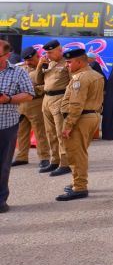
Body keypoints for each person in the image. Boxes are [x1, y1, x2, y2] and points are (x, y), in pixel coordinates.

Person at [56, 48, 104, 201]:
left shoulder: (80, 78)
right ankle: (77, 182)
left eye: (69, 62)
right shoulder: (96, 75)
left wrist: (68, 125)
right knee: (80, 152)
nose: (67, 65)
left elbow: (76, 104)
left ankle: (80, 187)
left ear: (79, 62)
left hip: (80, 119)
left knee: (76, 154)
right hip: (92, 116)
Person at [0, 39, 35, 213]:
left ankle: (0, 200)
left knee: (2, 165)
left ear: (7, 55)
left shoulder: (18, 72)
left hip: (6, 125)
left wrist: (9, 99)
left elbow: (29, 94)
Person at [34, 39, 71, 176]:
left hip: (60, 99)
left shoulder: (67, 63)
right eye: (46, 53)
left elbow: (72, 83)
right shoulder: (48, 63)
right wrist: (40, 66)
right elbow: (38, 81)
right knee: (50, 133)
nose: (47, 55)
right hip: (47, 100)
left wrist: (68, 102)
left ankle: (65, 163)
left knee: (61, 133)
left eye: (50, 52)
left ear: (60, 50)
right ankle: (55, 161)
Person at [12, 47, 50, 168]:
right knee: (21, 132)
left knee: (40, 132)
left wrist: (32, 89)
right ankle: (22, 157)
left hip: (36, 104)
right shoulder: (20, 68)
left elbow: (50, 85)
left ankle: (44, 157)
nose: (28, 62)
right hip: (21, 105)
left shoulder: (46, 68)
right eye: (26, 60)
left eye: (31, 60)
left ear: (37, 56)